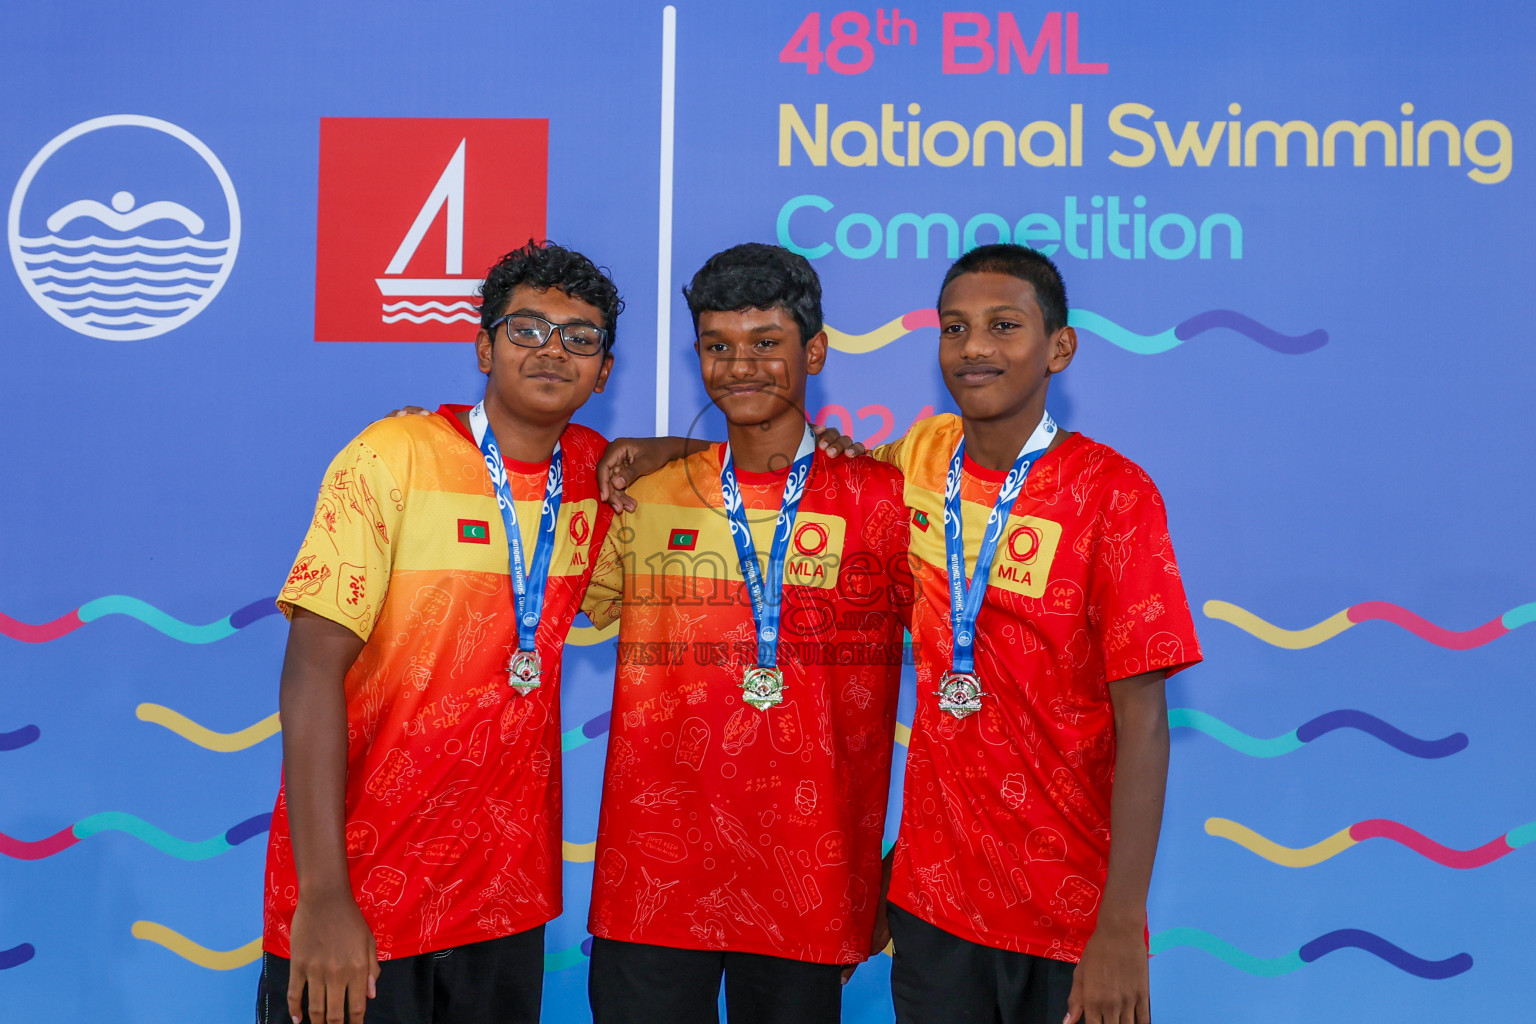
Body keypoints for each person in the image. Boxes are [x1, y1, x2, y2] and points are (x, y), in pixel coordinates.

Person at [599, 243, 1202, 1024]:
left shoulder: (1112, 495)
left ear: (1059, 346)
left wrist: (1122, 924)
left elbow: (1145, 724)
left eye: (1003, 326)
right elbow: (773, 465)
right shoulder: (915, 468)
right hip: (931, 911)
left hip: (1070, 911)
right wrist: (670, 452)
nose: (976, 347)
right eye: (955, 328)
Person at [258, 241, 621, 1024]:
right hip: (359, 901)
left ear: (604, 371)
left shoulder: (598, 475)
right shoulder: (393, 456)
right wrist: (322, 897)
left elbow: (723, 474)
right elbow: (310, 671)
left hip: (503, 908)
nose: (553, 350)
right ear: (483, 346)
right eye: (527, 329)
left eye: (580, 337)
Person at [579, 243, 912, 1024]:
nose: (740, 367)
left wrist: (897, 871)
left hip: (807, 885)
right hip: (649, 889)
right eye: (717, 347)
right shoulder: (644, 497)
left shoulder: (884, 499)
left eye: (767, 344)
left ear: (816, 350)